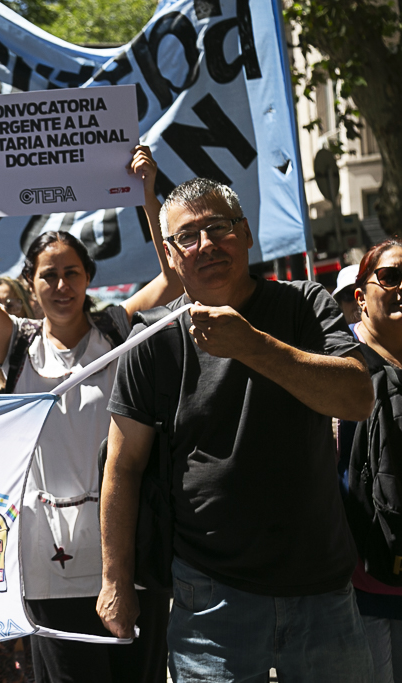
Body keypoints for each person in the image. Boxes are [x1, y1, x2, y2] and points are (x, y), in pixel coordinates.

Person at [97, 177, 376, 681]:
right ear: (170, 255)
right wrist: (115, 579)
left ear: (246, 233)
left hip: (320, 588)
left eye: (218, 227)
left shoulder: (304, 303)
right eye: (187, 236)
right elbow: (123, 464)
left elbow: (356, 399)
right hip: (209, 598)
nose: (206, 244)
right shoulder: (153, 339)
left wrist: (252, 345)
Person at [0, 144, 181, 683]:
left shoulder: (118, 330)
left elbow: (176, 279)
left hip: (127, 554)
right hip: (46, 558)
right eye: (48, 275)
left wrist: (148, 193)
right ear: (31, 283)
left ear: (89, 277)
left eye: (72, 273)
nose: (61, 286)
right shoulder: (16, 346)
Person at [338, 239, 402, 682]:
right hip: (360, 582)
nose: (401, 288)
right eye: (390, 277)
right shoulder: (338, 362)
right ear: (360, 297)